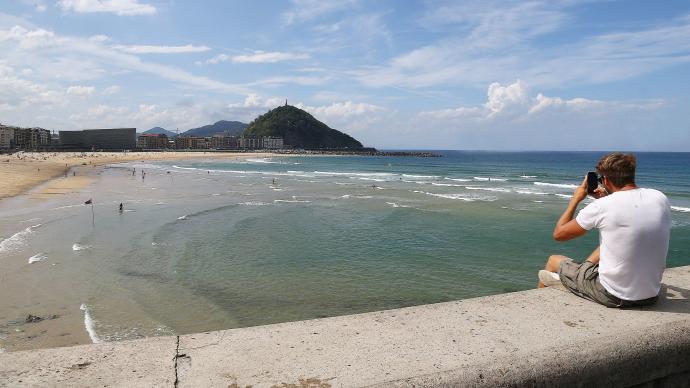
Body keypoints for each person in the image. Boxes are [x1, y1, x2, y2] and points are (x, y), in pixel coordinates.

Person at [539, 152, 671, 308]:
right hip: (650, 295)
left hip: (612, 295)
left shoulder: (602, 206)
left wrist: (576, 198)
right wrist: (606, 198)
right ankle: (581, 276)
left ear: (606, 180)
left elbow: (559, 234)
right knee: (615, 239)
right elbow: (625, 217)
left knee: (553, 260)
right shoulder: (660, 197)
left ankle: (539, 306)